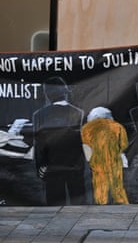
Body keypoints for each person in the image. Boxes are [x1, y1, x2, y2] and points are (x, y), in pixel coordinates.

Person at [33, 76, 86, 205]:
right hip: (75, 167)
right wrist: (81, 165)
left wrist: (40, 166)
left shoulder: (39, 115)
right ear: (65, 91)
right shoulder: (79, 113)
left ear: (47, 94)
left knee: (54, 207)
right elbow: (83, 142)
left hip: (51, 167)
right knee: (78, 207)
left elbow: (38, 144)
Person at [81, 106, 129, 205]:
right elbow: (124, 144)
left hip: (96, 160)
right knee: (117, 183)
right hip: (115, 159)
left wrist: (89, 160)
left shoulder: (86, 128)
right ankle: (119, 201)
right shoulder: (118, 127)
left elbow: (86, 147)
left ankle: (101, 201)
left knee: (99, 182)